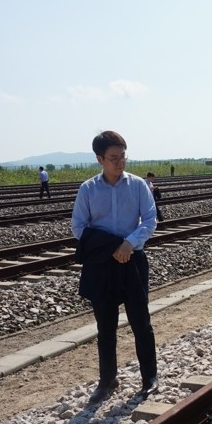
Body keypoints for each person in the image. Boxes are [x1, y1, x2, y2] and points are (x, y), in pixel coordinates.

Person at [72, 131, 159, 403]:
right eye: (113, 158)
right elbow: (78, 227)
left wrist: (129, 244)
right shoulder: (88, 189)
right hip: (102, 265)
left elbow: (151, 220)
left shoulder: (138, 185)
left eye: (123, 156)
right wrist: (112, 247)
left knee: (141, 322)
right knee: (106, 327)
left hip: (133, 261)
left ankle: (150, 377)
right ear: (100, 159)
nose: (120, 162)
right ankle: (107, 380)